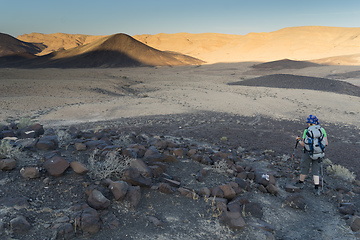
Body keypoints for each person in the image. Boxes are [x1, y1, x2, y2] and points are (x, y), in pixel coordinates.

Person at [295, 115, 328, 195]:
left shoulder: (307, 130)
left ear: (309, 123)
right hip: (319, 153)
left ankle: (301, 182)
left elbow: (304, 144)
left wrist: (298, 140)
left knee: (304, 167)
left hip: (307, 153)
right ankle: (316, 188)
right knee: (316, 170)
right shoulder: (322, 129)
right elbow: (326, 143)